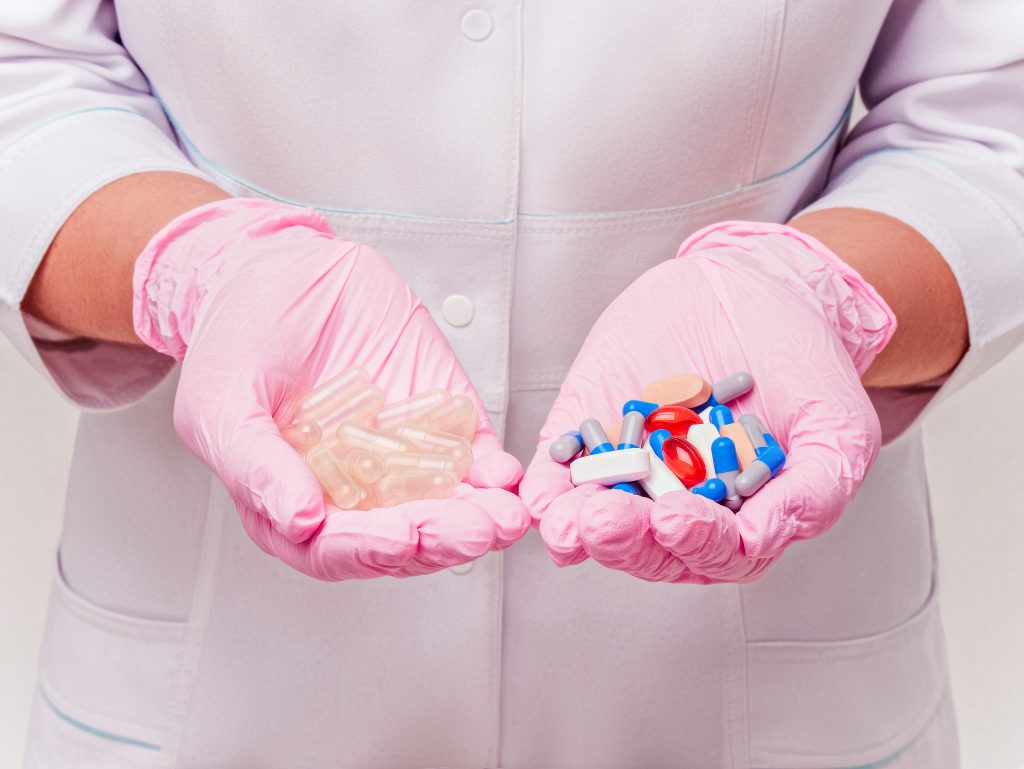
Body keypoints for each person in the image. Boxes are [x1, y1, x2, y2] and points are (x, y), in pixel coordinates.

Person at [2, 1, 1022, 766]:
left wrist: (817, 293)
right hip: (221, 671)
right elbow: (26, 68)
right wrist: (197, 268)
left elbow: (989, 122)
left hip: (749, 680)